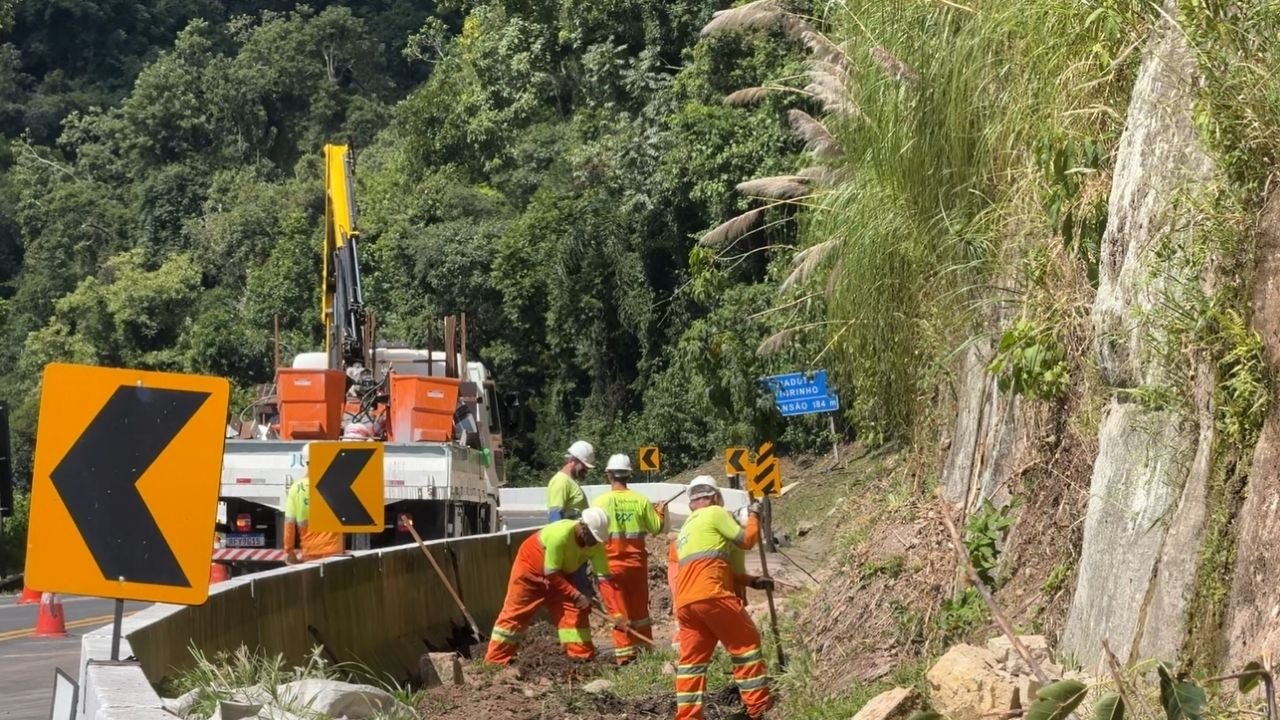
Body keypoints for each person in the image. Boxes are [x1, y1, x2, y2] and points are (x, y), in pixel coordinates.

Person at [673, 476, 774, 720]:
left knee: (691, 663)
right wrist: (754, 515)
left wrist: (751, 581)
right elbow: (747, 541)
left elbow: (714, 567)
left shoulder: (685, 528)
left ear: (691, 503)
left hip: (686, 604)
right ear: (716, 497)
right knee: (746, 645)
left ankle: (688, 715)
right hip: (712, 596)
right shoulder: (715, 513)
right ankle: (759, 708)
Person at [485, 507, 616, 665]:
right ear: (583, 527)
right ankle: (495, 662)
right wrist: (577, 595)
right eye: (593, 537)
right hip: (530, 570)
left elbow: (604, 580)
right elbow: (551, 573)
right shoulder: (560, 535)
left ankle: (580, 659)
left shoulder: (596, 545)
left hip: (560, 573)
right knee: (515, 615)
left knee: (574, 612)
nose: (594, 542)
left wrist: (616, 614)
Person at [591, 453, 666, 664]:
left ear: (608, 476)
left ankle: (625, 658)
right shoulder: (640, 500)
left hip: (610, 566)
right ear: (628, 476)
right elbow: (656, 528)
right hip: (636, 565)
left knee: (619, 613)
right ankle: (645, 654)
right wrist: (660, 512)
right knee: (640, 611)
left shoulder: (600, 502)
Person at [283, 442, 344, 564]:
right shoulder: (336, 485)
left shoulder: (296, 489)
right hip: (334, 551)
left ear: (305, 461)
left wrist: (289, 551)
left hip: (310, 552)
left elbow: (289, 525)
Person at [547, 440, 594, 521]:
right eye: (583, 465)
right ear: (572, 461)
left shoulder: (569, 481)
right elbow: (555, 518)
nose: (586, 470)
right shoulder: (560, 481)